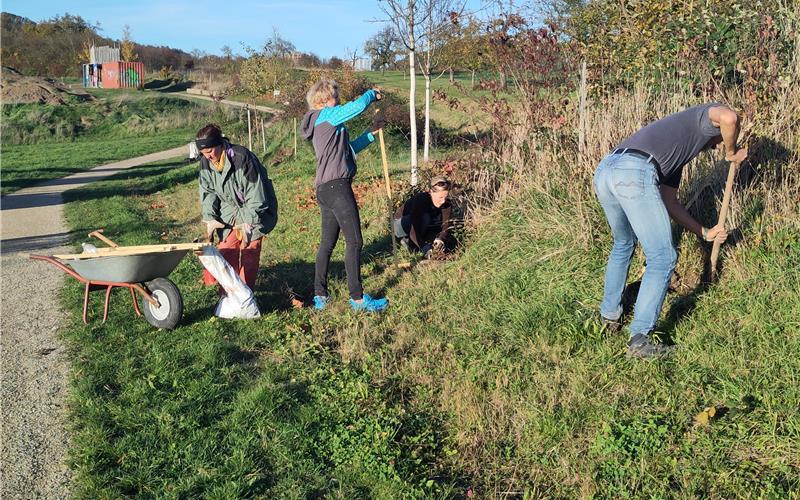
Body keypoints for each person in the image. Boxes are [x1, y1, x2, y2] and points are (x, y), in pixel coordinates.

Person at [593, 103, 747, 358]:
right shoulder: (703, 117)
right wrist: (732, 152)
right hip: (635, 171)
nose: (718, 145)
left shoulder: (675, 151)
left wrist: (705, 233)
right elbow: (730, 117)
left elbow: (670, 203)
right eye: (720, 140)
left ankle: (610, 317)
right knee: (663, 257)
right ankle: (640, 339)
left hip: (607, 169)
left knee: (624, 242)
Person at [300, 80, 388, 312]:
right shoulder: (327, 116)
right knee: (355, 241)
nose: (338, 101)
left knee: (327, 244)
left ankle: (320, 296)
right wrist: (372, 94)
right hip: (337, 188)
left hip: (325, 189)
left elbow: (348, 149)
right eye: (335, 97)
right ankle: (357, 299)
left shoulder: (322, 125)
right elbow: (358, 106)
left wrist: (371, 133)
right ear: (323, 101)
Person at [196, 123, 278, 291]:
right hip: (229, 208)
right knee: (226, 249)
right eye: (203, 153)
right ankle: (228, 294)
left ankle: (245, 294)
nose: (207, 156)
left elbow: (256, 195)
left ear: (220, 144)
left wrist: (248, 223)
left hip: (255, 207)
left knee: (249, 250)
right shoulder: (205, 162)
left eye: (210, 151)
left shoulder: (242, 158)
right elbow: (208, 192)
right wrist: (210, 218)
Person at [394, 176, 456, 258]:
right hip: (401, 225)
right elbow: (413, 227)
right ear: (431, 192)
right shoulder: (420, 200)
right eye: (440, 197)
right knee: (425, 218)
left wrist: (440, 239)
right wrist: (423, 246)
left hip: (424, 226)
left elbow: (446, 225)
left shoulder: (447, 204)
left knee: (447, 239)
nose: (443, 201)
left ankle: (424, 244)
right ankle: (409, 243)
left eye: (445, 197)